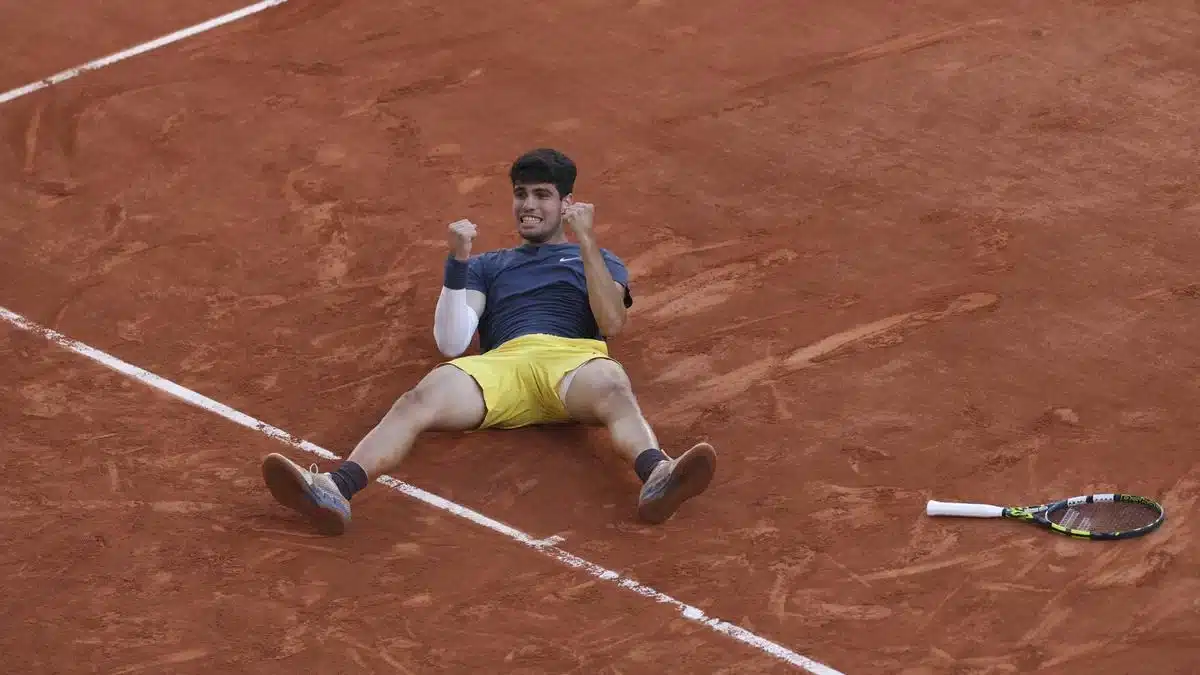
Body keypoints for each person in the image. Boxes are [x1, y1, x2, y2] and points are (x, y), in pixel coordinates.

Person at [260, 148, 717, 536]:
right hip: (502, 367)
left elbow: (611, 324)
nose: (528, 205)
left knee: (615, 387)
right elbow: (452, 341)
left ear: (567, 203)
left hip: (574, 362)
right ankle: (336, 489)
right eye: (521, 194)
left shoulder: (598, 259)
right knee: (421, 396)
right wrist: (458, 262)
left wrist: (587, 241)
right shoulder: (489, 264)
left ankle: (657, 474)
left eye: (542, 195)